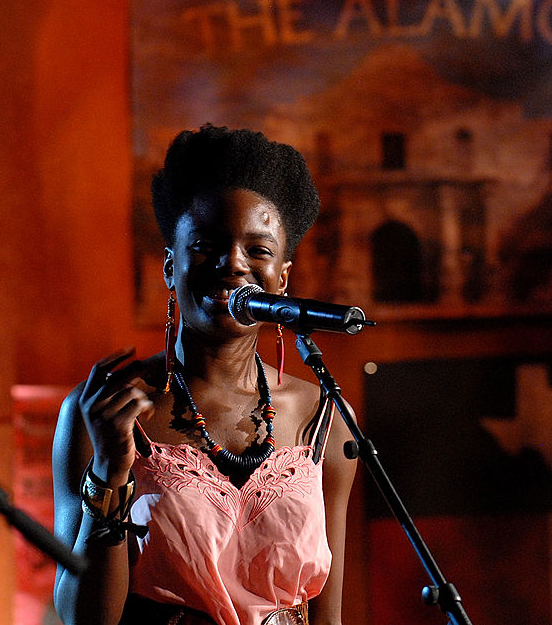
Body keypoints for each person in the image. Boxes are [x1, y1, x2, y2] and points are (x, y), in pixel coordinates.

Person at [51, 124, 357, 625]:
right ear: (170, 268)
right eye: (205, 245)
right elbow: (82, 618)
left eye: (258, 250)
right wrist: (110, 469)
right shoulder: (104, 411)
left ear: (282, 278)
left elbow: (328, 616)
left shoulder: (324, 419)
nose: (231, 264)